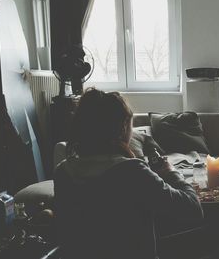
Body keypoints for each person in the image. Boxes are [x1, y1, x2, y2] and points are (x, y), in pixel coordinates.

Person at [54, 88, 203, 259]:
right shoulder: (132, 172)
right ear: (123, 127)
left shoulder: (62, 172)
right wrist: (171, 172)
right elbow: (192, 209)